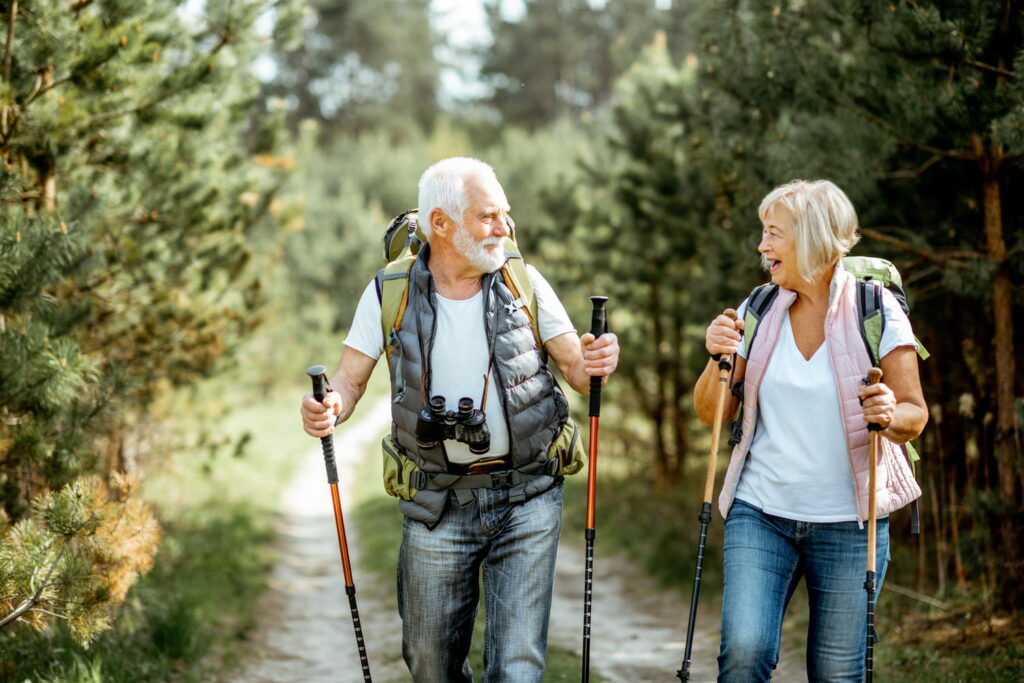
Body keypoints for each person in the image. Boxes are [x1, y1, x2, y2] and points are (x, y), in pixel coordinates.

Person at [300, 157, 619, 682]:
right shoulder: (390, 291)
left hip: (528, 494)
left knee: (516, 669)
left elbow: (581, 373)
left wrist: (601, 359)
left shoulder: (524, 281)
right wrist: (327, 406)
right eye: (487, 216)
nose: (504, 228)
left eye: (505, 214)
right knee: (430, 665)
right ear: (441, 224)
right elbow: (349, 381)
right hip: (435, 500)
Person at [694, 179, 927, 682]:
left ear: (814, 239)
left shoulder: (875, 310)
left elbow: (915, 414)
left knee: (838, 674)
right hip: (761, 513)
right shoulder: (758, 308)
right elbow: (713, 414)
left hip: (849, 523)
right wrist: (717, 359)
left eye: (773, 234)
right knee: (743, 651)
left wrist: (888, 413)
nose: (762, 246)